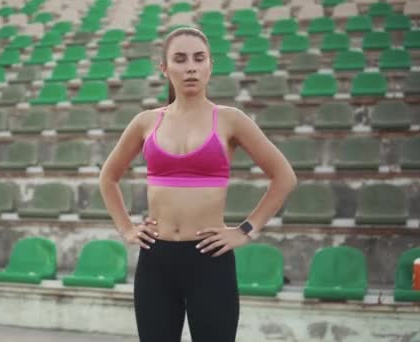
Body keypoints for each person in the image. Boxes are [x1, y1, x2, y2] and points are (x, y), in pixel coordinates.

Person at [98, 27, 297, 342]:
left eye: (198, 58)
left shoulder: (231, 119)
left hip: (210, 260)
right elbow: (108, 178)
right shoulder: (146, 122)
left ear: (210, 65)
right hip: (156, 260)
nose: (190, 66)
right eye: (180, 59)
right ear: (164, 68)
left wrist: (245, 230)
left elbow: (284, 177)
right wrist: (126, 229)